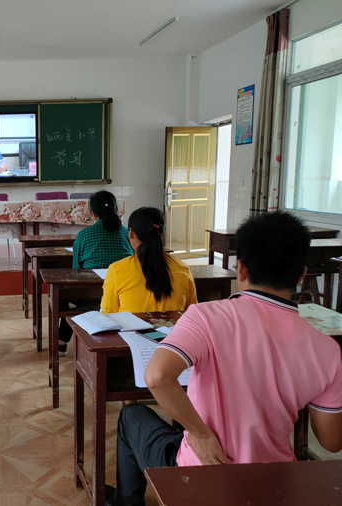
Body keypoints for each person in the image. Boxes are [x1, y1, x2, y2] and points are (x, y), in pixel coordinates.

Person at [106, 211, 342, 506]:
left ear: (240, 269)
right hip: (275, 479)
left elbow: (157, 376)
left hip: (204, 473)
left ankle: (126, 502)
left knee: (132, 416)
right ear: (301, 274)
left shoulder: (207, 316)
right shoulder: (327, 349)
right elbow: (332, 443)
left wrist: (201, 434)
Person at [58, 190, 133, 356]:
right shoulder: (128, 234)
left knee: (72, 299)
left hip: (89, 294)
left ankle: (61, 343)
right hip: (124, 295)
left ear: (92, 213)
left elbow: (76, 270)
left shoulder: (84, 235)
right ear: (117, 209)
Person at [100, 207, 197, 314]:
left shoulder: (116, 270)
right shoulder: (183, 269)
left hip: (131, 330)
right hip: (174, 331)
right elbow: (192, 313)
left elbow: (108, 314)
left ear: (131, 233)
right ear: (163, 234)